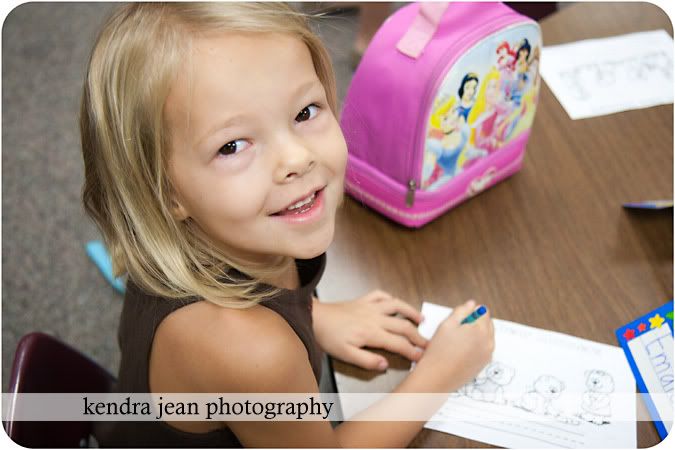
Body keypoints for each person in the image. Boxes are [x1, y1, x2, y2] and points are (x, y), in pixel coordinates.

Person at [80, 3, 494, 447]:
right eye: (233, 145)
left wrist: (316, 316)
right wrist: (439, 375)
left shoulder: (198, 239)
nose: (297, 158)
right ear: (165, 194)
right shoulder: (254, 352)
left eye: (304, 112)